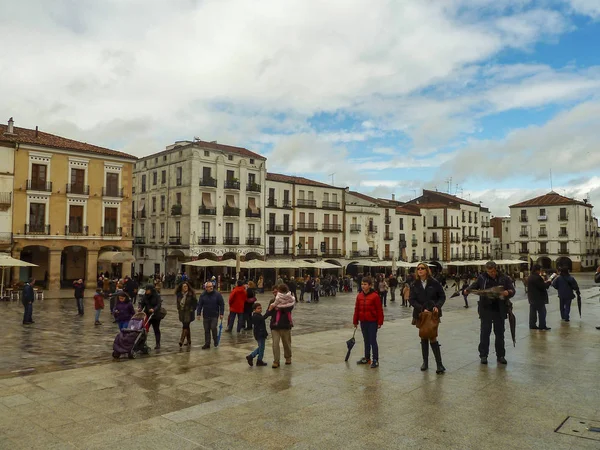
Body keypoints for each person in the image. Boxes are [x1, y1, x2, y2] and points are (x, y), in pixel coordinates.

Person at [464, 261, 515, 365]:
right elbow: (473, 286)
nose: (491, 273)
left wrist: (507, 292)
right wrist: (467, 290)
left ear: (496, 269)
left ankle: (500, 355)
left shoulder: (504, 278)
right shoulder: (482, 278)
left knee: (500, 334)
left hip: (499, 309)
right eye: (489, 271)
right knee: (485, 333)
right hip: (486, 309)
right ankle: (483, 355)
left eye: (492, 271)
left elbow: (512, 290)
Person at [409, 263, 446, 373]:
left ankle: (439, 364)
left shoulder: (434, 282)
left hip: (433, 314)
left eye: (422, 268)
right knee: (423, 337)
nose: (420, 270)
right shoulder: (414, 284)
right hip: (421, 314)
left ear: (427, 270)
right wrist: (421, 308)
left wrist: (437, 306)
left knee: (433, 337)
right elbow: (412, 299)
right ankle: (425, 362)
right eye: (418, 268)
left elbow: (442, 296)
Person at [353, 277, 384, 369]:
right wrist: (355, 321)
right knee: (366, 340)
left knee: (372, 341)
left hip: (372, 321)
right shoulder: (359, 296)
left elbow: (379, 310)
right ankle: (367, 358)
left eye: (365, 284)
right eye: (362, 284)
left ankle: (375, 359)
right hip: (363, 321)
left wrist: (380, 322)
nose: (363, 286)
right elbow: (357, 309)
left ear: (370, 286)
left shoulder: (375, 296)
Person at [266, 290, 294, 368]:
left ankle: (288, 357)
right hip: (275, 326)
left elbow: (290, 309)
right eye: (273, 292)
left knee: (286, 343)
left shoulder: (288, 300)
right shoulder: (272, 301)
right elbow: (268, 312)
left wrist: (282, 305)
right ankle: (276, 361)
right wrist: (270, 309)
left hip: (285, 325)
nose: (275, 294)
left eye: (276, 292)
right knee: (275, 344)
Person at [197, 282, 225, 349]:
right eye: (209, 286)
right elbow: (200, 305)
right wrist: (198, 313)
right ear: (206, 288)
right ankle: (207, 343)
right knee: (206, 330)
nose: (211, 287)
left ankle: (215, 340)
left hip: (214, 315)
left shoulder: (217, 294)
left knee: (213, 328)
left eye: (211, 286)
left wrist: (221, 313)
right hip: (206, 315)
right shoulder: (203, 295)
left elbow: (221, 304)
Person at [527, 264, 551, 330]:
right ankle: (542, 325)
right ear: (537, 270)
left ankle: (532, 325)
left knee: (532, 313)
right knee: (542, 312)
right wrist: (548, 283)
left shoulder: (530, 277)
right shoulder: (537, 277)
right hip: (539, 298)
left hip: (531, 298)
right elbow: (542, 286)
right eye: (540, 269)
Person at [139, 284, 163, 349]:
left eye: (147, 290)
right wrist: (140, 308)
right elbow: (142, 303)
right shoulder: (145, 296)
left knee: (156, 329)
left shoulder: (157, 296)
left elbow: (158, 304)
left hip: (155, 315)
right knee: (145, 329)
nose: (146, 291)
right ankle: (143, 343)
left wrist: (154, 309)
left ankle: (158, 343)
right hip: (147, 315)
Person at [246, 302, 269, 367]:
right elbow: (263, 318)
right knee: (261, 348)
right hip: (259, 334)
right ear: (254, 310)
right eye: (258, 308)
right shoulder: (256, 316)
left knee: (261, 347)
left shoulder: (257, 315)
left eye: (261, 308)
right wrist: (269, 311)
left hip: (261, 334)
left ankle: (256, 358)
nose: (260, 309)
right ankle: (253, 357)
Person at [176, 281, 197, 347]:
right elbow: (178, 303)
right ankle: (189, 341)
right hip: (182, 313)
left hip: (189, 313)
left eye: (186, 286)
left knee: (185, 326)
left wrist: (192, 309)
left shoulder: (191, 294)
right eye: (184, 286)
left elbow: (195, 303)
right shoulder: (179, 294)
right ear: (181, 288)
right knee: (187, 326)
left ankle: (181, 341)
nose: (186, 287)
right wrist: (178, 308)